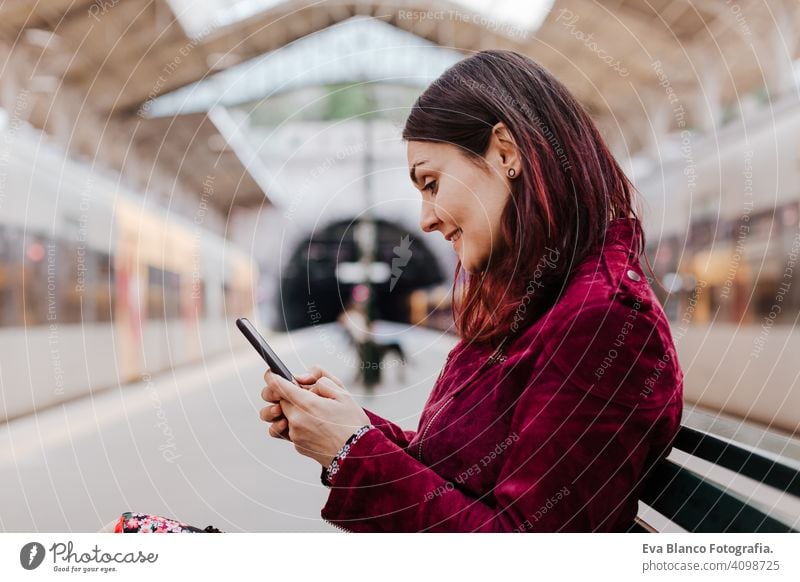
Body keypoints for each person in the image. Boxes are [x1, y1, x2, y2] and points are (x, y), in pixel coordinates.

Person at [260, 49, 684, 532]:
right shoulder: (537, 306)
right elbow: (458, 473)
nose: (425, 218)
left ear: (505, 153)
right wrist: (354, 429)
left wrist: (352, 453)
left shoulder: (602, 321)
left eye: (432, 183)